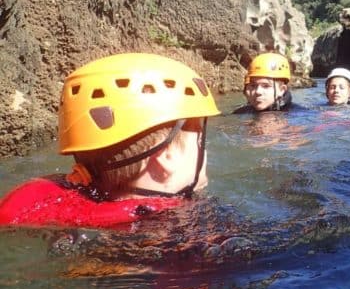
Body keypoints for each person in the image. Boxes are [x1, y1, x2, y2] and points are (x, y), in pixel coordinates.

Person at [0, 53, 220, 228]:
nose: (205, 150)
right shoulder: (192, 232)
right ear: (166, 156)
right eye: (199, 141)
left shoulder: (47, 207)